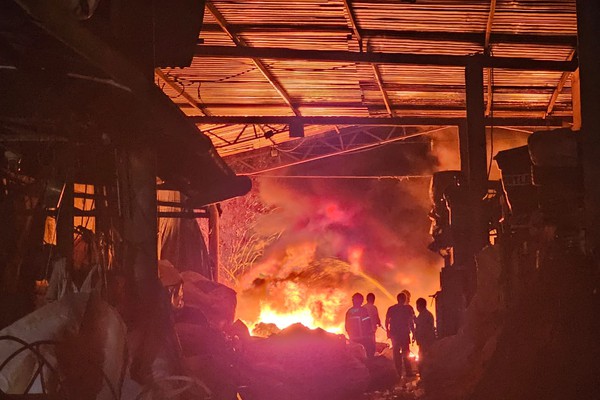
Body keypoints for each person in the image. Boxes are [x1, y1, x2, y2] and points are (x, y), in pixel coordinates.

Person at [385, 292, 415, 377]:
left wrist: (388, 331)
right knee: (406, 353)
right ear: (405, 299)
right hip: (404, 334)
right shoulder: (408, 309)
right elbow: (411, 322)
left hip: (394, 334)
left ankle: (398, 372)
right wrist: (413, 333)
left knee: (396, 353)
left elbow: (387, 320)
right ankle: (408, 372)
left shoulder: (391, 309)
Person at [345, 292, 373, 358]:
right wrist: (369, 335)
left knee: (355, 356)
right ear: (361, 301)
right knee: (365, 355)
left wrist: (350, 335)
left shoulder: (349, 312)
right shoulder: (363, 310)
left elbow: (346, 326)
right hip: (363, 338)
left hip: (353, 339)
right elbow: (368, 324)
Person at [415, 297, 436, 362]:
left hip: (425, 340)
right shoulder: (427, 314)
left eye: (417, 305)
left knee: (424, 357)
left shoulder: (423, 315)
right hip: (427, 339)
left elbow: (421, 328)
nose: (417, 307)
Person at [363, 292, 381, 357]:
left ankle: (366, 356)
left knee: (365, 344)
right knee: (372, 344)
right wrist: (379, 323)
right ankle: (371, 357)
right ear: (373, 299)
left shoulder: (363, 307)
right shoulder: (374, 307)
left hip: (364, 330)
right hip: (372, 330)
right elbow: (377, 318)